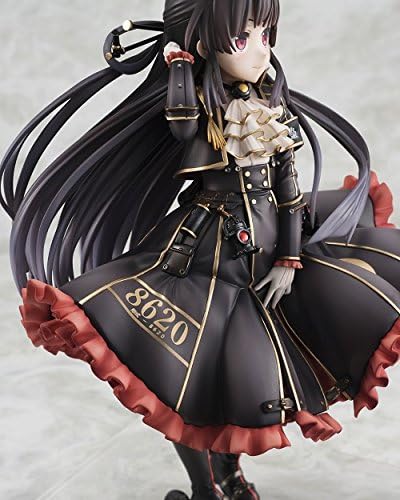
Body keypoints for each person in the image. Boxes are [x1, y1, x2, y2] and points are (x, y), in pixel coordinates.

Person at [2, 1, 400, 499]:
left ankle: (229, 477)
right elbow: (183, 125)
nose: (261, 51)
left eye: (266, 35)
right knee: (189, 383)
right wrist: (179, 66)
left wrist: (289, 257)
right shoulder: (201, 109)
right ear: (204, 43)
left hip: (271, 255)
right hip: (205, 260)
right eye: (242, 39)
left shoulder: (269, 109)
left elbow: (289, 193)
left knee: (245, 384)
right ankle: (207, 487)